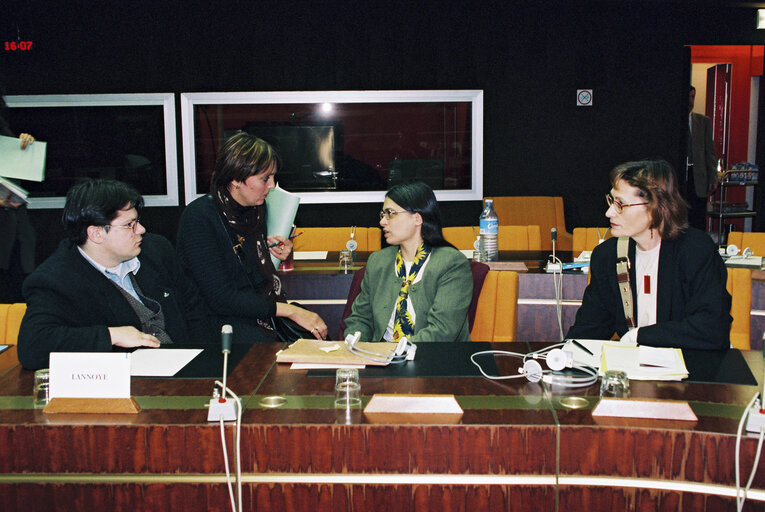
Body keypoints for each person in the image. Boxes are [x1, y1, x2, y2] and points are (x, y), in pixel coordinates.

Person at [18, 179, 214, 370]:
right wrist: (111, 336)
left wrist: (204, 360)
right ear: (96, 234)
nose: (141, 230)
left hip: (188, 365)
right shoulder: (56, 279)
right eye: (130, 225)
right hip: (127, 384)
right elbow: (33, 347)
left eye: (137, 221)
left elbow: (193, 307)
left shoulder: (156, 249)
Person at [176, 132, 328, 343]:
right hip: (219, 325)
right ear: (236, 179)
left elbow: (255, 268)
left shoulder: (254, 210)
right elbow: (221, 298)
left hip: (257, 312)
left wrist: (278, 251)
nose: (272, 185)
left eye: (273, 176)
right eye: (265, 178)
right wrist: (289, 311)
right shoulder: (200, 218)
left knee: (319, 335)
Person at [566, 159, 731, 350]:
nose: (609, 212)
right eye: (611, 200)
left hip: (691, 369)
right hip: (635, 372)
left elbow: (711, 329)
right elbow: (589, 330)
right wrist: (563, 357)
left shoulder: (695, 250)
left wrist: (640, 336)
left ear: (656, 207)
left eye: (620, 204)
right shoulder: (607, 256)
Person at [343, 181, 473, 342]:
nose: (382, 221)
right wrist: (358, 345)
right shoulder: (378, 261)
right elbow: (360, 319)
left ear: (417, 218)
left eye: (391, 213)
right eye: (383, 214)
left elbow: (441, 331)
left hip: (432, 358)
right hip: (381, 357)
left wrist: (393, 354)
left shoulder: (451, 263)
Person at [0, 93, 37, 303]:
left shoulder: (4, 133)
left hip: (15, 230)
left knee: (21, 291)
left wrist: (24, 145)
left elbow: (20, 177)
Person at [684, 85, 718, 231]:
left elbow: (710, 151)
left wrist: (713, 177)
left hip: (698, 177)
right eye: (688, 97)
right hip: (680, 176)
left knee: (697, 218)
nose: (690, 101)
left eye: (692, 97)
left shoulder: (703, 122)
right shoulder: (671, 121)